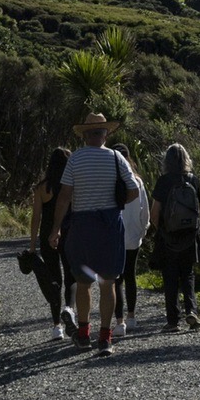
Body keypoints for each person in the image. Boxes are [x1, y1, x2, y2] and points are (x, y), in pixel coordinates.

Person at [47, 112, 136, 353]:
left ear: (85, 135)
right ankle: (105, 338)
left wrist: (55, 229)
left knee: (84, 282)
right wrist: (116, 204)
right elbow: (134, 190)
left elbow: (65, 196)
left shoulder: (75, 159)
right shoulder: (118, 158)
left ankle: (84, 333)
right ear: (105, 134)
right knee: (108, 283)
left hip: (82, 225)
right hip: (109, 225)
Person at [149, 141, 200, 332]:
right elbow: (199, 211)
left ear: (167, 161)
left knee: (170, 277)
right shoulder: (193, 179)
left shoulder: (164, 181)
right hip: (189, 236)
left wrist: (161, 229)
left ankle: (173, 321)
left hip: (168, 236)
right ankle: (192, 311)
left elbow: (154, 213)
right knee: (188, 274)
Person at [25, 146, 73, 340]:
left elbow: (35, 217)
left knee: (54, 279)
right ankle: (70, 311)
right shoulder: (70, 185)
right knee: (71, 276)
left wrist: (32, 245)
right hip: (68, 232)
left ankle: (56, 326)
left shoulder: (41, 188)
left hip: (47, 235)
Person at [110, 142, 148, 339]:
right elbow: (145, 211)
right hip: (133, 236)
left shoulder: (109, 180)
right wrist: (142, 231)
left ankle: (119, 322)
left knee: (116, 280)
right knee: (131, 276)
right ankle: (131, 316)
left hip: (114, 236)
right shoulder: (138, 181)